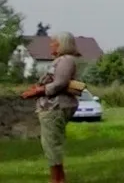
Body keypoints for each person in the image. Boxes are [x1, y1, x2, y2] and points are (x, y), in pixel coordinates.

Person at [20, 32, 80, 183]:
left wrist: (38, 90)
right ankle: (58, 179)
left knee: (52, 145)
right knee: (50, 144)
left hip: (55, 106)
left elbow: (60, 83)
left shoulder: (66, 60)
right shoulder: (60, 60)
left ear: (62, 44)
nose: (50, 45)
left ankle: (57, 180)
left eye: (54, 42)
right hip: (51, 106)